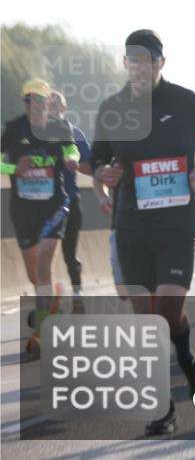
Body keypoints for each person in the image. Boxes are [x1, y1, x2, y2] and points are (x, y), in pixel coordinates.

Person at [90, 30, 195, 436]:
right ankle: (168, 396)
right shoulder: (112, 108)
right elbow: (96, 159)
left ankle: (179, 377)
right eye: (131, 61)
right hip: (132, 225)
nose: (138, 67)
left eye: (145, 60)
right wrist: (103, 172)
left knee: (164, 311)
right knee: (146, 319)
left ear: (160, 63)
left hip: (176, 224)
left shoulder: (184, 101)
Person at [1, 79, 79, 356]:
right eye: (32, 100)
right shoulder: (13, 129)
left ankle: (43, 331)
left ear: (49, 103)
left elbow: (72, 149)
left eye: (43, 100)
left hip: (55, 205)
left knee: (46, 262)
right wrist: (13, 167)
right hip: (23, 209)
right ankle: (53, 297)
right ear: (25, 103)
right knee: (34, 273)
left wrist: (71, 158)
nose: (38, 105)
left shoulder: (60, 127)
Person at [47, 90, 91, 313]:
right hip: (41, 205)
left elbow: (92, 167)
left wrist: (75, 164)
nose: (51, 109)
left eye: (55, 105)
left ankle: (77, 293)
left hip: (70, 201)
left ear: (63, 109)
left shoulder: (74, 134)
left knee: (68, 254)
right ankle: (50, 302)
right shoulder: (35, 134)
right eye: (47, 105)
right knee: (44, 257)